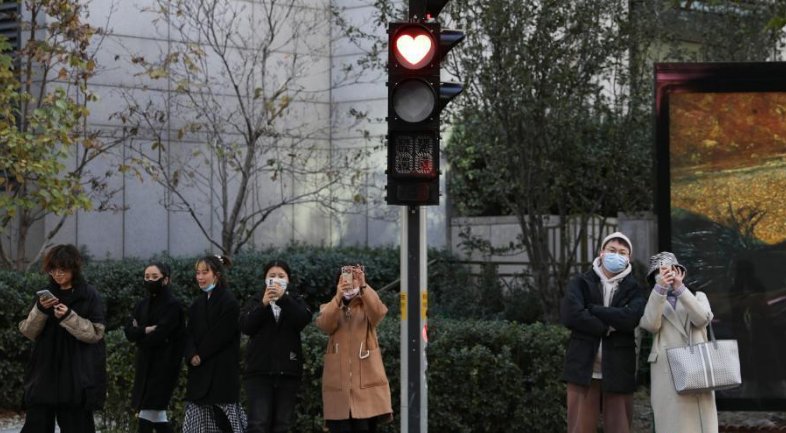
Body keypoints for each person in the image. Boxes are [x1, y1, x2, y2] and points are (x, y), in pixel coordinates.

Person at [560, 232, 646, 433]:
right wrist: (606, 327)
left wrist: (594, 309)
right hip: (583, 365)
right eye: (612, 250)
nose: (617, 255)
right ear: (601, 253)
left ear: (629, 259)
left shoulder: (634, 288)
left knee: (620, 427)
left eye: (623, 252)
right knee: (579, 427)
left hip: (618, 366)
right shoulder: (581, 282)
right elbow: (571, 315)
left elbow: (631, 318)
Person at [18, 244, 107, 433]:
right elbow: (27, 331)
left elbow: (96, 333)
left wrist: (68, 316)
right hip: (44, 372)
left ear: (73, 269)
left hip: (76, 375)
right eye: (53, 270)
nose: (57, 274)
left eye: (63, 270)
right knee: (36, 424)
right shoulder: (45, 294)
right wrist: (40, 310)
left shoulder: (88, 294)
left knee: (78, 426)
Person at [639, 252, 718, 433]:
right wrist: (660, 290)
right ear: (653, 277)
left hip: (698, 367)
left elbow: (702, 319)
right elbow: (650, 324)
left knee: (699, 423)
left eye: (671, 269)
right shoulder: (652, 301)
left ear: (680, 271)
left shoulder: (698, 296)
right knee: (671, 422)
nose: (666, 273)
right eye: (660, 271)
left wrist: (680, 288)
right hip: (667, 370)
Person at [316, 264, 392, 433]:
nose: (349, 283)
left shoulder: (367, 305)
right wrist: (338, 297)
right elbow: (325, 324)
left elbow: (379, 312)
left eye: (354, 279)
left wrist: (364, 286)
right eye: (345, 279)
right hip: (339, 386)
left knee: (364, 426)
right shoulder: (330, 307)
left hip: (366, 384)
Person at [240, 260, 312, 433]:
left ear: (288, 279)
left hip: (288, 372)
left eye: (281, 276)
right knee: (258, 423)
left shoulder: (295, 299)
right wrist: (263, 304)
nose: (276, 279)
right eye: (272, 276)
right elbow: (246, 326)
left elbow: (303, 319)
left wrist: (284, 299)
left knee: (282, 424)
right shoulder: (256, 299)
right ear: (265, 279)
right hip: (259, 372)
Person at [182, 255, 246, 433]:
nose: (200, 277)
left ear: (216, 275)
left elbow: (220, 336)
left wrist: (199, 355)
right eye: (198, 273)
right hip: (199, 374)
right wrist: (191, 354)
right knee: (197, 425)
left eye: (205, 272)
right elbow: (189, 334)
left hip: (221, 374)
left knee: (227, 423)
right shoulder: (196, 304)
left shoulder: (229, 302)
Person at [124, 262, 185, 433]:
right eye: (146, 277)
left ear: (165, 280)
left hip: (164, 368)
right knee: (157, 416)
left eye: (154, 277)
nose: (149, 280)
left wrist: (139, 333)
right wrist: (145, 330)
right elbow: (129, 330)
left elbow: (160, 335)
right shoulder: (142, 304)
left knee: (147, 413)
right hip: (145, 366)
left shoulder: (173, 306)